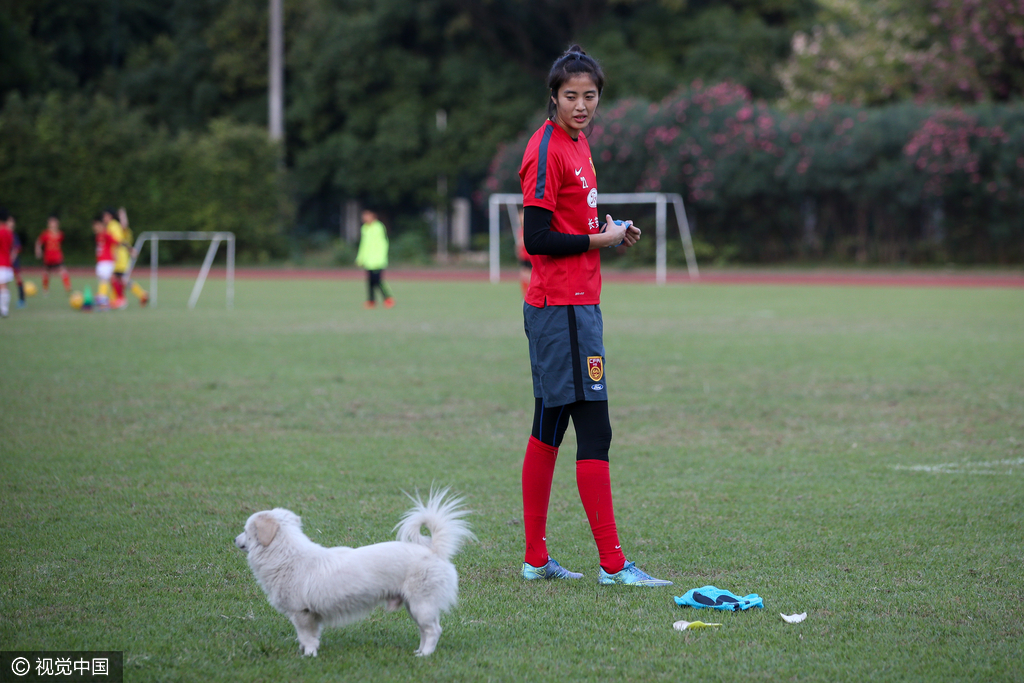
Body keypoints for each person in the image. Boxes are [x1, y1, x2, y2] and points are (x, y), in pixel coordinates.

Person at [517, 46, 670, 586]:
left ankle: (536, 560)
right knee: (594, 430)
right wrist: (596, 240)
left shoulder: (580, 144)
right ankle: (613, 565)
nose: (581, 105)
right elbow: (536, 237)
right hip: (562, 310)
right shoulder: (546, 149)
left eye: (590, 96)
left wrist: (608, 230)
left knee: (549, 426)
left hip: (577, 306)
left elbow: (572, 221)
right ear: (553, 97)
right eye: (571, 96)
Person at [355, 209, 394, 309]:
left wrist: (381, 257)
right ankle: (371, 300)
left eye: (367, 215)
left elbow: (382, 244)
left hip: (378, 260)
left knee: (378, 280)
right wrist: (360, 258)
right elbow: (364, 245)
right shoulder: (364, 228)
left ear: (372, 216)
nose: (364, 218)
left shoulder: (378, 227)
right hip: (368, 260)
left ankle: (388, 298)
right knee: (370, 281)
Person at [114, 207, 148, 306]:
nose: (124, 220)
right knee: (121, 279)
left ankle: (121, 299)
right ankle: (141, 294)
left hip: (120, 259)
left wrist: (130, 250)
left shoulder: (122, 230)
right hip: (120, 258)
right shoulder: (118, 229)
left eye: (124, 217)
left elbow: (121, 240)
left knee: (119, 278)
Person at [35, 214, 72, 294]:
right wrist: (38, 250)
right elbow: (39, 242)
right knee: (46, 272)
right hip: (48, 257)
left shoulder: (60, 234)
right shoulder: (45, 234)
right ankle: (45, 289)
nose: (53, 224)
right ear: (48, 224)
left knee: (63, 270)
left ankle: (68, 287)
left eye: (54, 223)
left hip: (57, 256)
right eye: (51, 223)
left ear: (57, 224)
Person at [93, 214, 118, 310]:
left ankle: (103, 302)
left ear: (101, 225)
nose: (95, 227)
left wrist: (116, 254)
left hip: (107, 262)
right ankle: (109, 300)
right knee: (104, 281)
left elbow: (116, 242)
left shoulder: (106, 234)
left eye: (96, 225)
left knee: (104, 280)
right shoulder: (98, 236)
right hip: (101, 262)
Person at [512, 208, 533, 299]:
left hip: (530, 256)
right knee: (523, 275)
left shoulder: (529, 229)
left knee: (529, 275)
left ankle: (530, 294)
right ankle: (525, 295)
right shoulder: (520, 230)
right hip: (523, 256)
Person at [0, 208, 14, 317]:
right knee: (5, 286)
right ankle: (4, 308)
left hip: (1, 262)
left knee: (2, 286)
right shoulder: (9, 232)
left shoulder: (1, 231)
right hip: (7, 262)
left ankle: (4, 310)